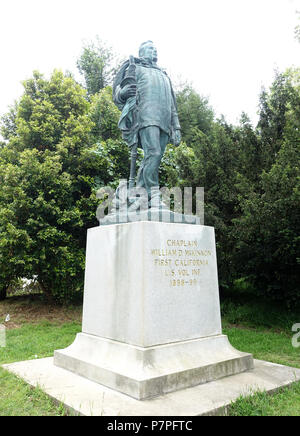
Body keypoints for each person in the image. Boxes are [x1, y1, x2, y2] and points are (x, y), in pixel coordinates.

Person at [113, 41, 181, 206]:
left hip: (165, 121)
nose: (154, 51)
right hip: (146, 117)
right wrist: (122, 93)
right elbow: (118, 91)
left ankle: (141, 193)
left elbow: (173, 104)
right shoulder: (136, 68)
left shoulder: (164, 75)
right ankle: (154, 195)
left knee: (153, 158)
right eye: (151, 49)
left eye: (156, 49)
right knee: (154, 153)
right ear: (142, 51)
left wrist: (176, 126)